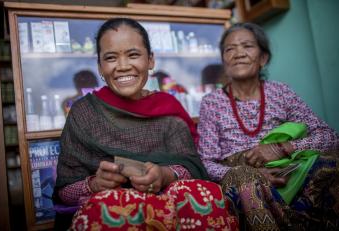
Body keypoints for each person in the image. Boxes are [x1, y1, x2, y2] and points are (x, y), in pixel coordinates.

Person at [53, 18, 239, 231]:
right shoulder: (84, 113)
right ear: (100, 67)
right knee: (109, 205)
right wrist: (95, 184)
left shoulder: (168, 107)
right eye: (111, 58)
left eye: (133, 55)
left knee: (205, 195)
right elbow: (65, 191)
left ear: (150, 60)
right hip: (110, 209)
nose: (123, 67)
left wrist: (164, 175)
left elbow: (192, 167)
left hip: (171, 204)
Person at [197, 22, 339, 231]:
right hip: (239, 172)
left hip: (286, 169)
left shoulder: (280, 92)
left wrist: (282, 148)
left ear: (263, 58)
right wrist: (251, 172)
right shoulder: (211, 102)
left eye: (247, 46)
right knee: (246, 181)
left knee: (331, 164)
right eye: (230, 49)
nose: (238, 53)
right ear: (224, 61)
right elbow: (206, 162)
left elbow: (329, 137)